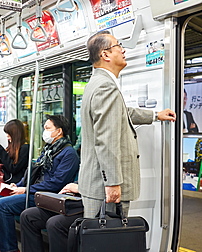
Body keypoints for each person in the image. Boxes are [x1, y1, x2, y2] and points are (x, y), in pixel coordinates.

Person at [78, 31, 176, 218]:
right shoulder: (105, 86)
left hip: (97, 184)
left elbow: (121, 113)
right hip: (104, 187)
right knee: (108, 242)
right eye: (118, 46)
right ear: (105, 54)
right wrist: (113, 182)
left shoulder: (98, 83)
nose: (123, 50)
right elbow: (105, 139)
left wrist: (155, 115)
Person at [0, 115, 80, 252]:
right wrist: (19, 185)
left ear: (59, 131)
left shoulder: (68, 154)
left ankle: (10, 249)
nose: (44, 131)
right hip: (33, 189)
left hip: (45, 195)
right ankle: (1, 245)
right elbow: (33, 172)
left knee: (1, 205)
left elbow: (56, 184)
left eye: (47, 128)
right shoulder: (48, 150)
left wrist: (26, 189)